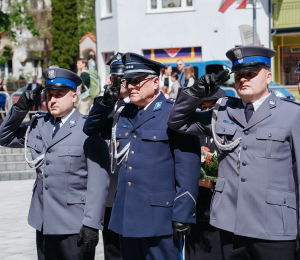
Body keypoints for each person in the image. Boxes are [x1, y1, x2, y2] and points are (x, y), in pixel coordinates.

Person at [167, 45, 300, 260]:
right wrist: (194, 93)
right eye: (239, 75)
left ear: (268, 76)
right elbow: (177, 122)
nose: (244, 79)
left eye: (251, 74)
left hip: (275, 227)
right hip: (231, 224)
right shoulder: (223, 111)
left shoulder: (291, 114)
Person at [83, 52, 201, 260]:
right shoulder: (124, 113)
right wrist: (105, 104)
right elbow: (90, 128)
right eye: (128, 82)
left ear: (155, 82)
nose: (131, 86)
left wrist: (184, 213)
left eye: (137, 81)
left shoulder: (172, 114)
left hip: (160, 217)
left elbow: (188, 165)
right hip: (127, 215)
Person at [0, 68, 110, 260]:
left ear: (74, 96)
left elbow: (98, 182)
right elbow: (4, 137)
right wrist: (20, 109)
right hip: (43, 222)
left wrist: (92, 224)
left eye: (59, 95)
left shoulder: (88, 128)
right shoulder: (38, 125)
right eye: (50, 95)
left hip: (74, 225)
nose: (53, 100)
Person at [185, 88, 226, 260]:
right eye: (203, 107)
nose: (207, 111)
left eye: (212, 107)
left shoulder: (229, 130)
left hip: (220, 208)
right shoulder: (194, 131)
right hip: (196, 207)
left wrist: (213, 182)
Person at [102, 52, 129, 260]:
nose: (119, 83)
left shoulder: (139, 105)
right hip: (110, 194)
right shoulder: (102, 106)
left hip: (133, 194)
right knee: (112, 252)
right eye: (115, 78)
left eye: (123, 78)